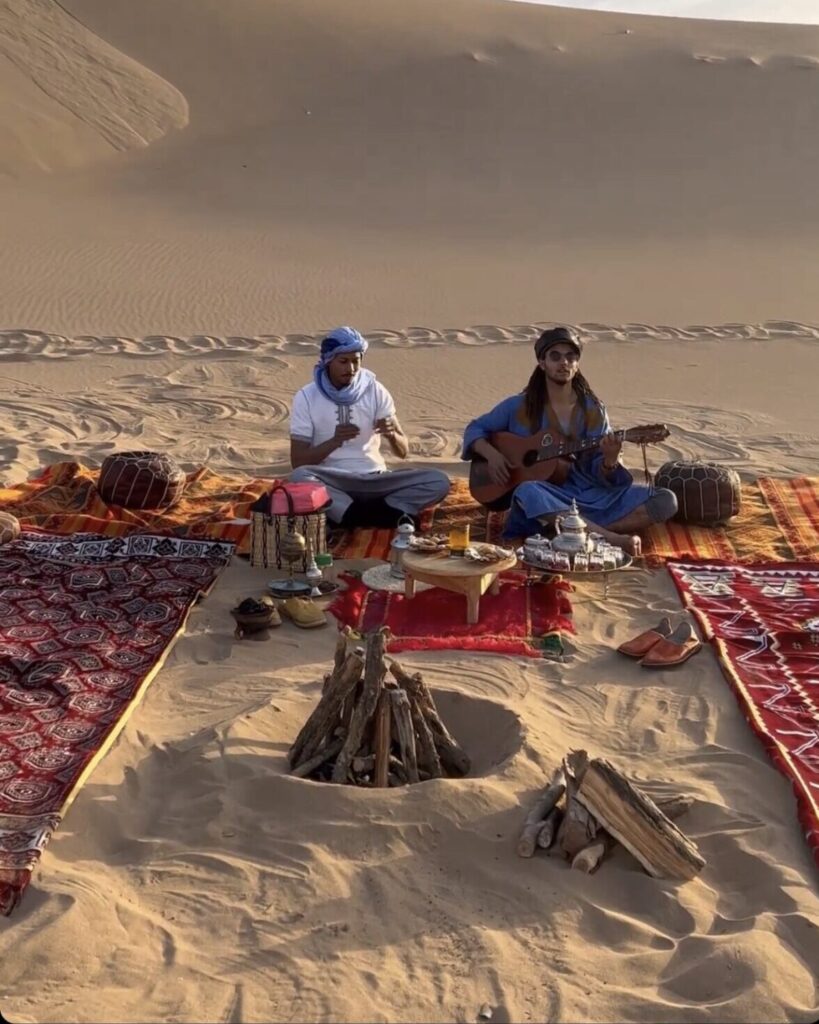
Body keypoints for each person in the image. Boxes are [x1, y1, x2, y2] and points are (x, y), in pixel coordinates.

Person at [461, 326, 677, 553]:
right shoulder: (518, 406)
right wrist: (492, 455)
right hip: (547, 494)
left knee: (665, 499)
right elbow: (475, 429)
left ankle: (569, 532)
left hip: (589, 493)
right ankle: (609, 537)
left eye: (570, 356)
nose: (564, 362)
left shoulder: (593, 410)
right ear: (542, 363)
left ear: (577, 364)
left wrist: (610, 461)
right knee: (527, 491)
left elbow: (602, 473)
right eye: (555, 356)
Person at [288, 326, 451, 527]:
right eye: (343, 362)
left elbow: (403, 451)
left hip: (377, 479)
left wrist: (391, 435)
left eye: (356, 361)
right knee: (299, 478)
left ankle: (356, 515)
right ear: (329, 361)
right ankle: (370, 515)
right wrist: (334, 442)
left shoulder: (375, 390)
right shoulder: (306, 397)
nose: (351, 369)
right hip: (334, 482)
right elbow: (298, 461)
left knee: (438, 480)